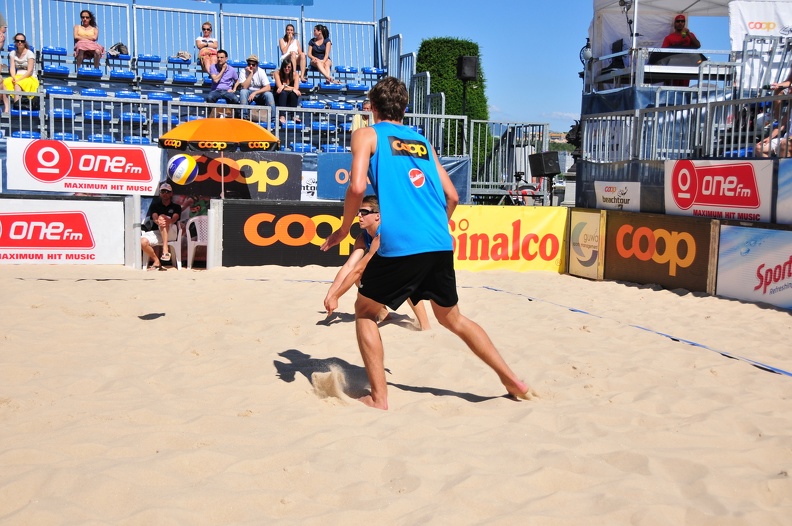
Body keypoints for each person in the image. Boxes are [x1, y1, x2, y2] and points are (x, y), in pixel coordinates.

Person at [320, 77, 534, 410]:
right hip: (438, 241)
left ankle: (379, 397)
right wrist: (433, 225)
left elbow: (357, 186)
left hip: (403, 242)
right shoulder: (422, 141)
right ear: (404, 109)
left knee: (363, 311)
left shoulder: (366, 134)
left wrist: (344, 226)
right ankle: (511, 379)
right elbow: (452, 196)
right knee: (454, 319)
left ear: (372, 108)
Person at [324, 194, 431, 331]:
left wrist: (336, 296)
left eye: (364, 212)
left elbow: (358, 270)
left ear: (378, 216)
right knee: (362, 278)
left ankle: (425, 326)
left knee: (404, 279)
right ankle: (384, 316)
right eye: (359, 212)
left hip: (420, 263)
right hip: (394, 266)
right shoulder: (362, 238)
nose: (359, 216)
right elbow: (349, 266)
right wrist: (331, 294)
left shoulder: (383, 235)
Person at [141, 183, 182, 271]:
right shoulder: (155, 205)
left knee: (163, 218)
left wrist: (166, 220)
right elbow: (155, 217)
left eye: (167, 192)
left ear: (171, 194)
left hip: (172, 232)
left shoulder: (176, 207)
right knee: (142, 242)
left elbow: (174, 219)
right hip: (158, 231)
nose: (165, 193)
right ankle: (156, 261)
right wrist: (158, 221)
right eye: (163, 191)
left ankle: (165, 249)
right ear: (160, 193)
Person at [2, 33, 38, 114]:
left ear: (25, 42)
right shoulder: (12, 53)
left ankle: (16, 105)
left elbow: (30, 71)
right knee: (5, 83)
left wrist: (18, 79)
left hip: (29, 77)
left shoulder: (29, 53)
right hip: (17, 75)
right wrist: (14, 77)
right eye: (18, 41)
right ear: (15, 42)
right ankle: (7, 108)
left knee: (18, 84)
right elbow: (12, 67)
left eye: (22, 41)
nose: (20, 42)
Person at [236, 54, 275, 122]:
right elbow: (244, 87)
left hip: (259, 93)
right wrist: (251, 74)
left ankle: (273, 119)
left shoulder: (261, 71)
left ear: (256, 65)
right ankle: (244, 117)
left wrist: (255, 93)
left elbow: (268, 87)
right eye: (249, 64)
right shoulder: (243, 71)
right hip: (248, 93)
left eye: (253, 64)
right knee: (243, 92)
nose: (251, 66)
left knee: (269, 94)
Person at [274, 58, 301, 124]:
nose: (287, 68)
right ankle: (282, 116)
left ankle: (293, 115)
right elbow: (279, 87)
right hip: (279, 96)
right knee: (283, 93)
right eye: (285, 66)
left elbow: (296, 89)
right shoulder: (277, 73)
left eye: (289, 67)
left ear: (291, 68)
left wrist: (285, 86)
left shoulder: (295, 75)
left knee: (293, 94)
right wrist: (291, 88)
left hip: (289, 96)